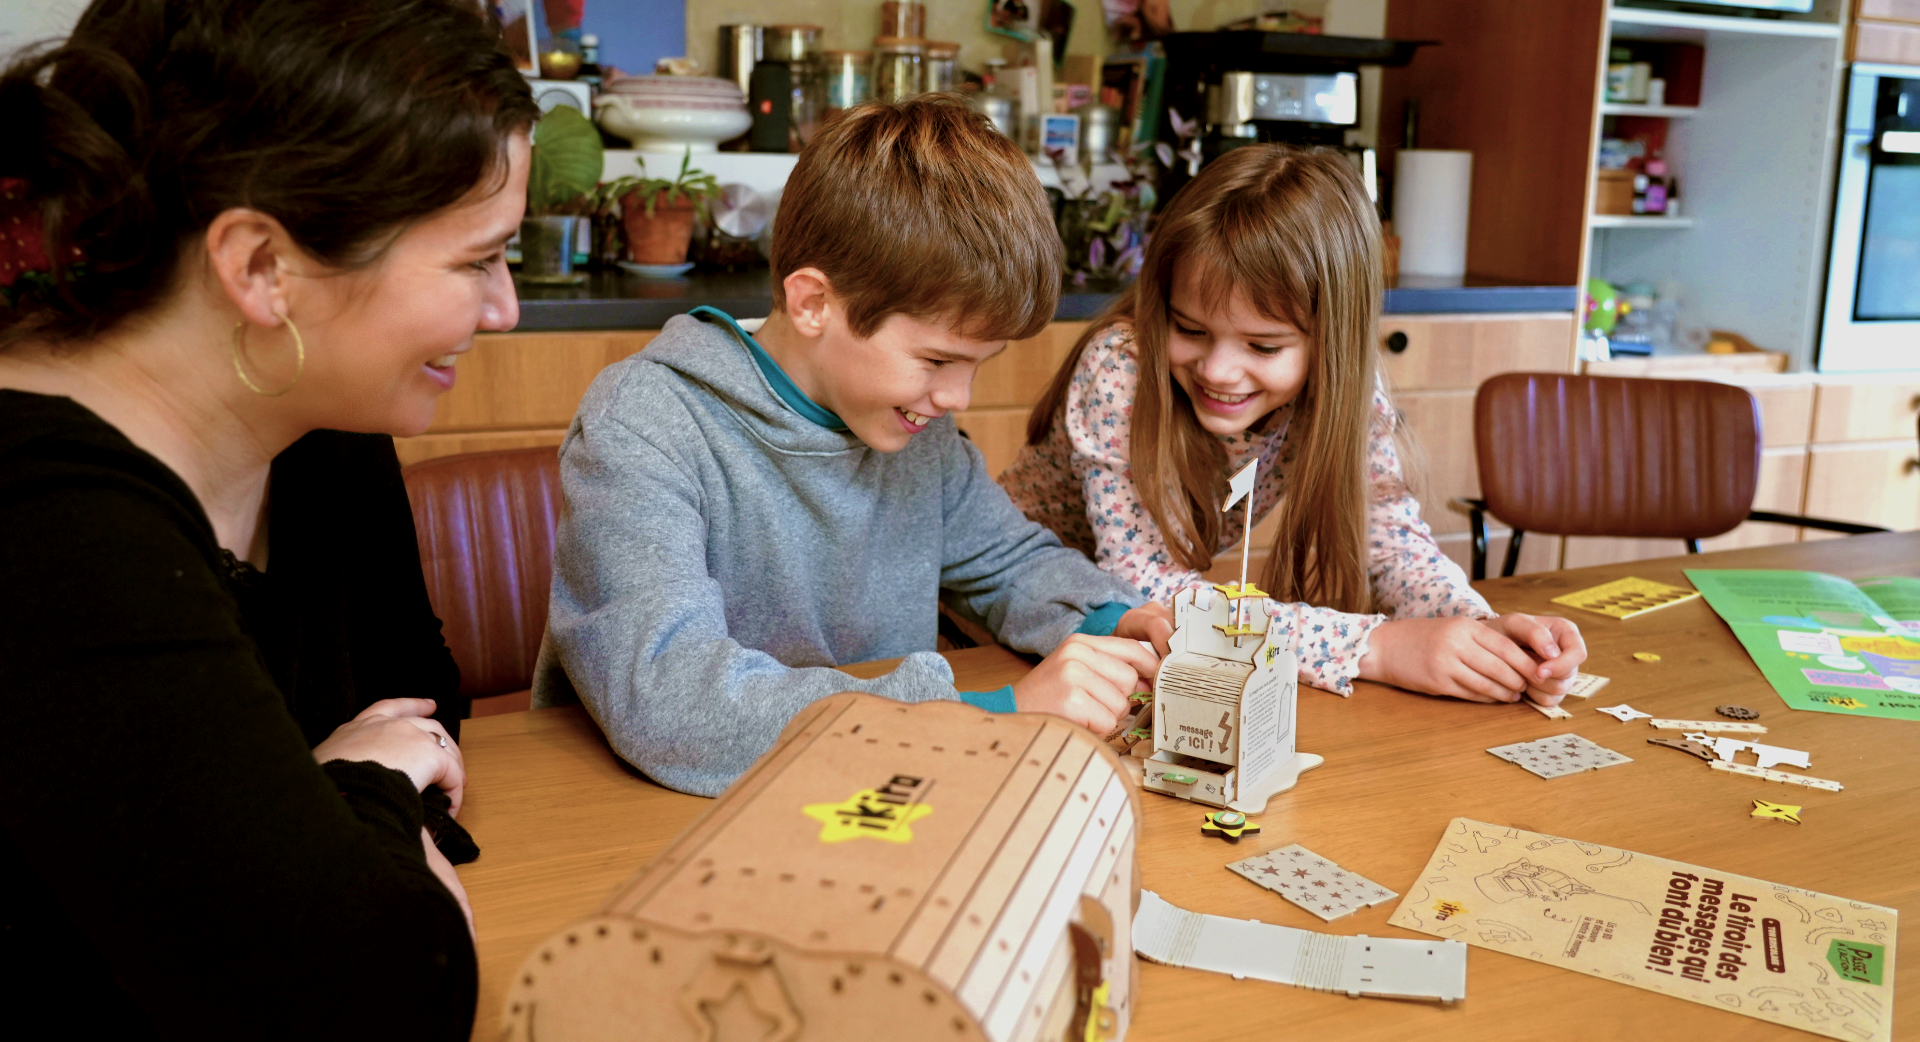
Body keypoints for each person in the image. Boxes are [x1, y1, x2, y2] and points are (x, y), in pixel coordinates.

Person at [0, 0, 538, 1036]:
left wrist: (346, 804)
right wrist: (359, 779)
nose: (506, 307)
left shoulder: (314, 418)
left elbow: (419, 704)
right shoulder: (47, 528)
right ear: (259, 267)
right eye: (477, 259)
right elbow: (382, 997)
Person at [534, 97, 1174, 798]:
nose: (958, 397)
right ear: (812, 304)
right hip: (648, 816)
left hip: (869, 799)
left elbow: (1009, 563)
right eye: (936, 361)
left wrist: (1116, 618)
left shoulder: (914, 431)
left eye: (978, 364)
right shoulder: (646, 420)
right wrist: (988, 718)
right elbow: (670, 701)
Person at [1002, 145, 1588, 705]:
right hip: (1016, 613)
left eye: (1262, 345)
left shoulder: (1347, 382)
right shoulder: (1121, 366)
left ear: (1332, 343)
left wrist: (1477, 630)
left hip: (1106, 639)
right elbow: (1139, 586)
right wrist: (1375, 648)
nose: (1218, 370)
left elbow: (1391, 546)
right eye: (1190, 328)